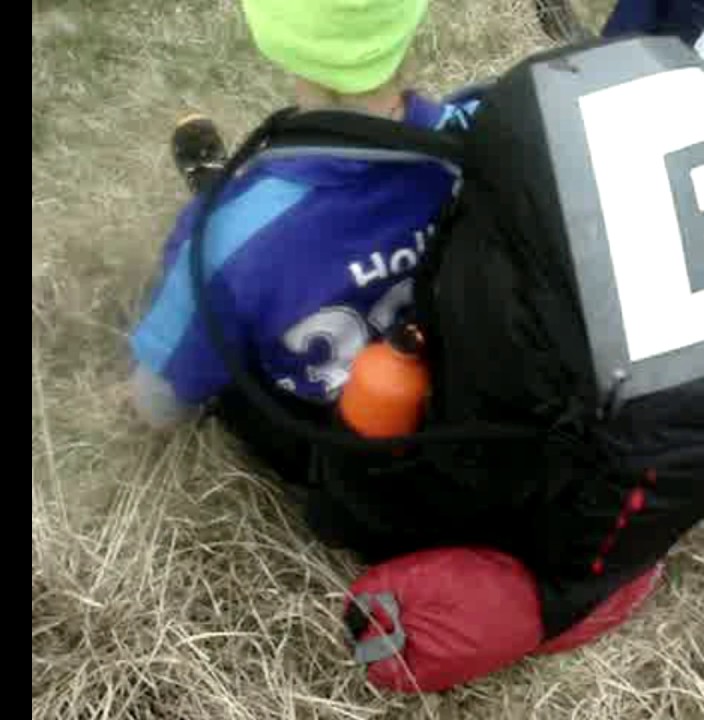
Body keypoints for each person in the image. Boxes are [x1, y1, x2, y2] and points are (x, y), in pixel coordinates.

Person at [126, 0, 474, 475]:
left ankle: (221, 182)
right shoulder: (486, 136)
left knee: (227, 284)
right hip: (463, 434)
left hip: (336, 467)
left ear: (275, 35)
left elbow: (158, 407)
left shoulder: (222, 242)